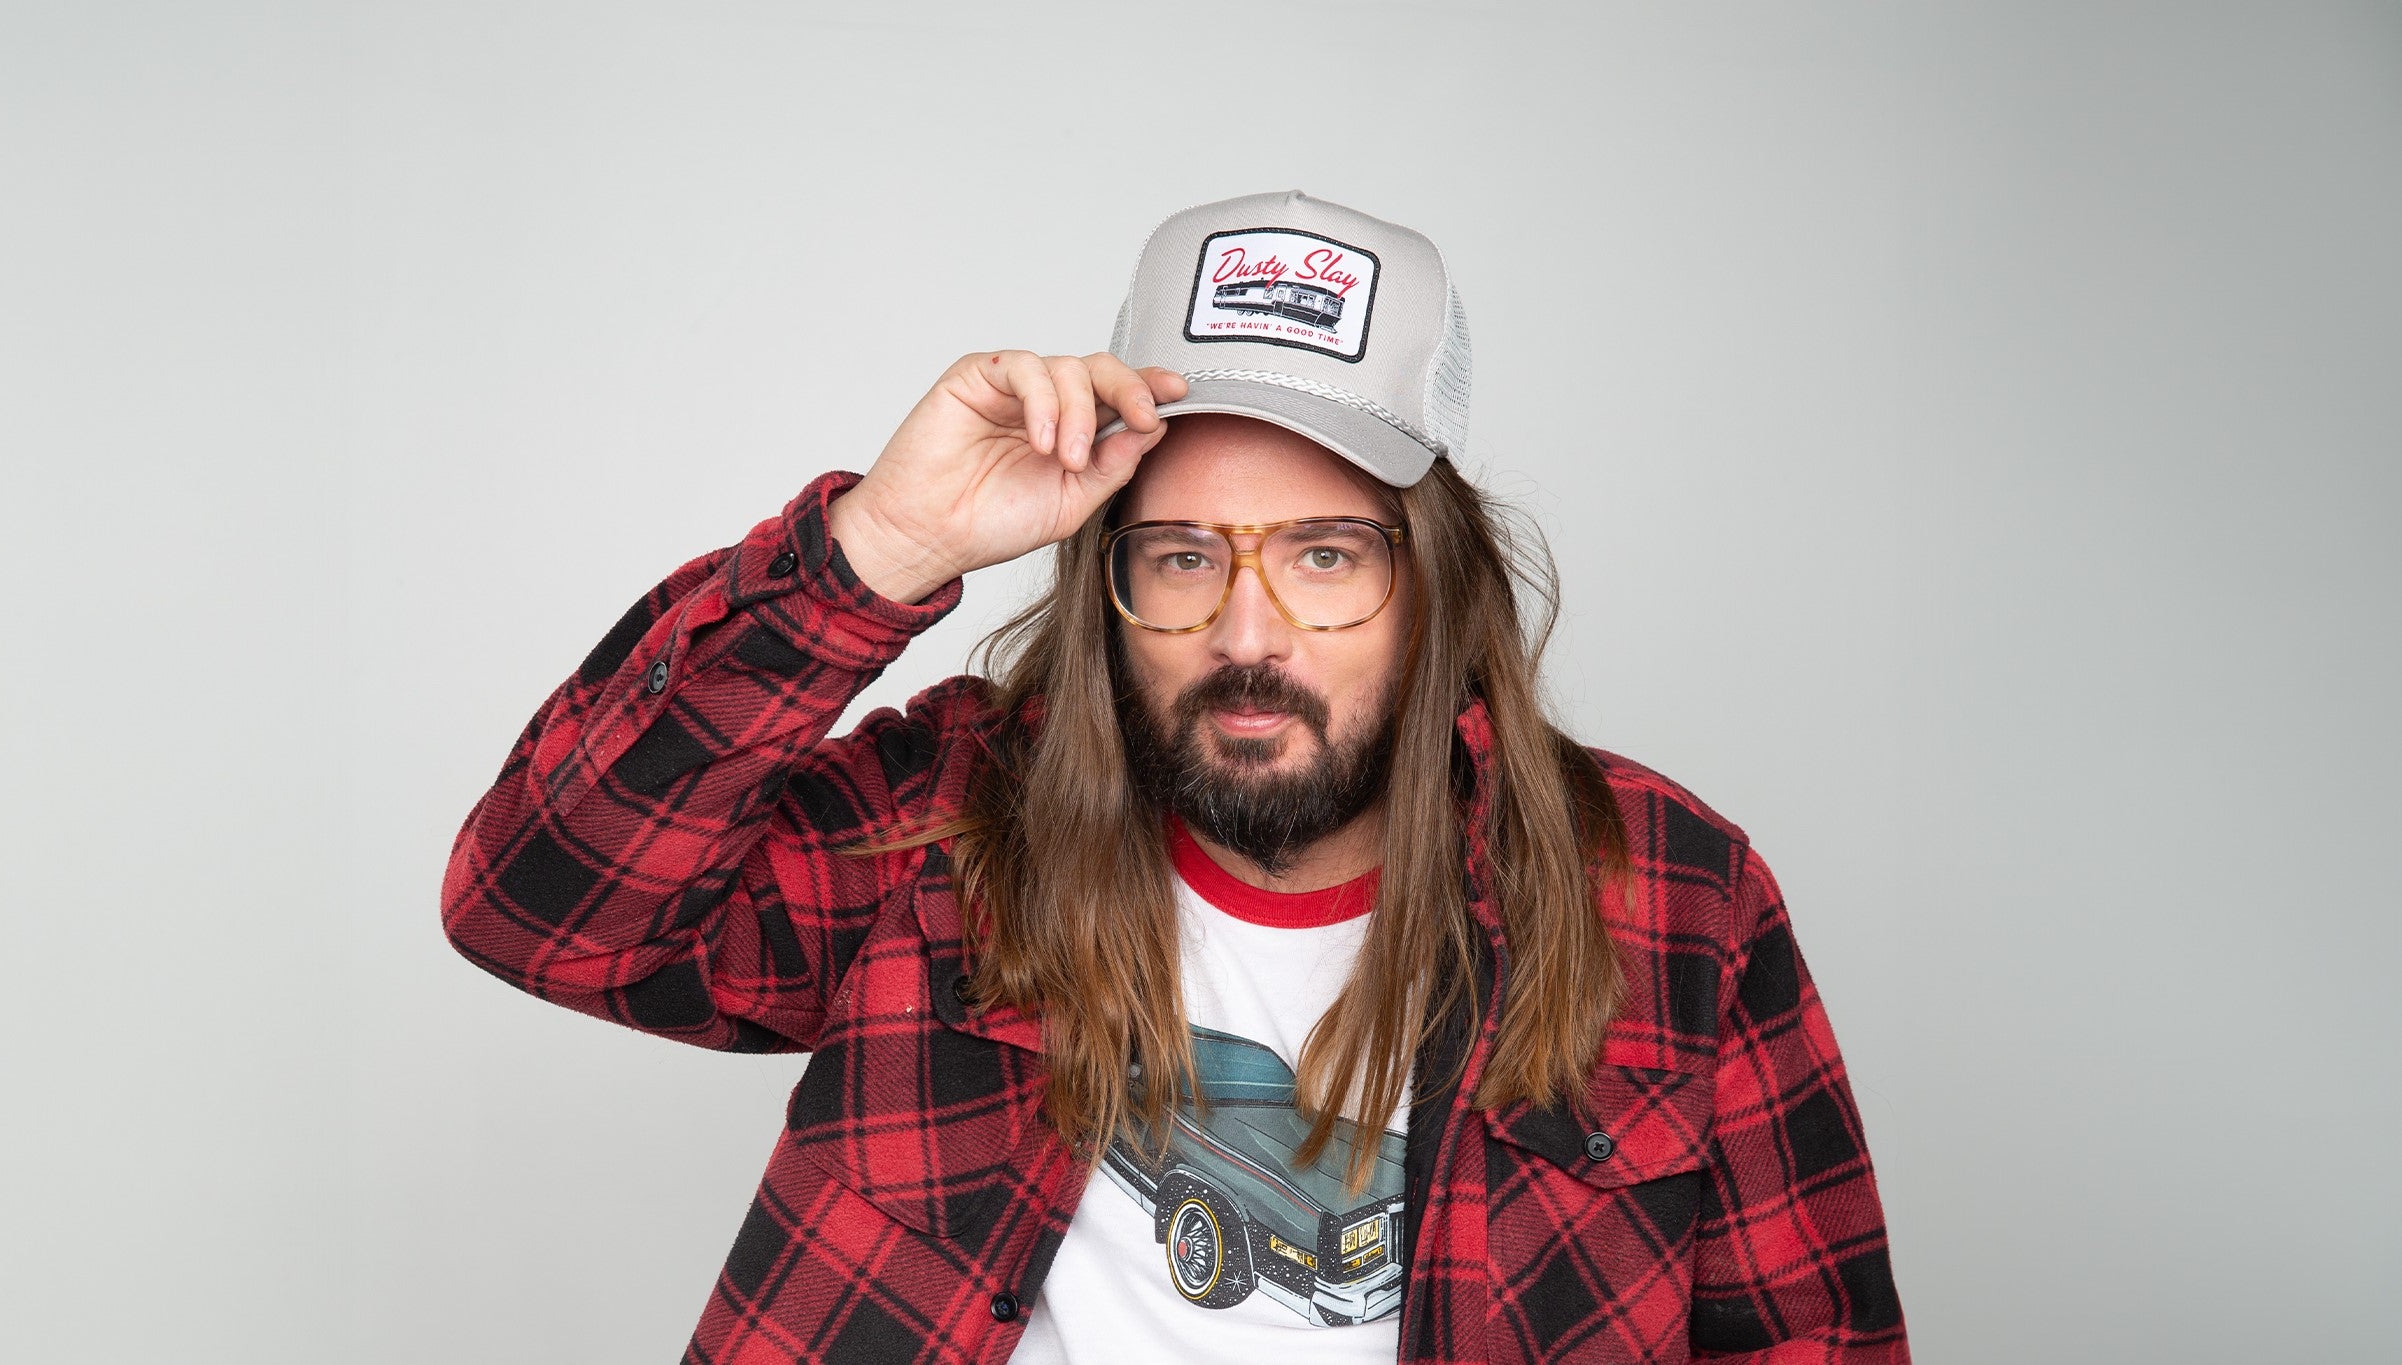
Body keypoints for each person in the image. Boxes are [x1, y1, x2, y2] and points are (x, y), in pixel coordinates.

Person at [440, 190, 1909, 1364]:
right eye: (1185, 556)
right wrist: (879, 544)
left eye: (1325, 555)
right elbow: (539, 907)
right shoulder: (952, 816)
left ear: (1436, 587)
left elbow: (1811, 1339)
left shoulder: (1667, 892)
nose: (1247, 636)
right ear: (1110, 579)